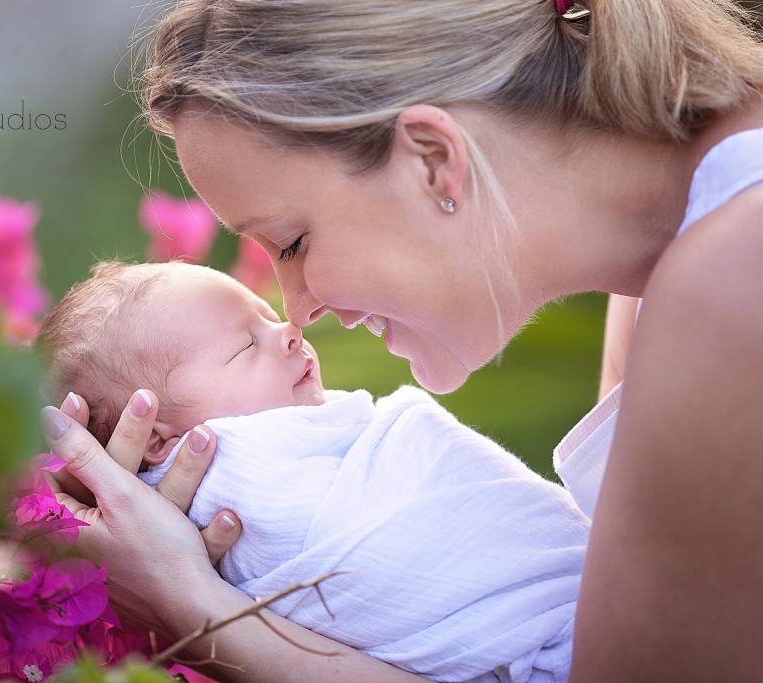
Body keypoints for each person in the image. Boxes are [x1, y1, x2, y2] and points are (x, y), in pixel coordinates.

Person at [38, 0, 763, 680]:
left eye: (291, 241)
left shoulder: (730, 282)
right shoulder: (663, 288)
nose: (297, 310)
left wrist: (196, 610)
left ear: (432, 160)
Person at [36, 260, 590, 682]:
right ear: (157, 439)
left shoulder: (289, 437)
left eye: (269, 317)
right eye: (246, 346)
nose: (290, 331)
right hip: (549, 630)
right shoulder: (227, 468)